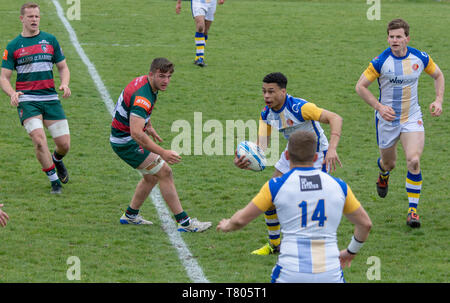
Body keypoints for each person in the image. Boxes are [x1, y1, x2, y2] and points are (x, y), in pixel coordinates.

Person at [218, 131, 372, 283]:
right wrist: (351, 252)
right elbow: (365, 224)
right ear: (317, 157)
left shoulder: (275, 186)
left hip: (290, 273)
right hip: (330, 272)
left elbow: (240, 220)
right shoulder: (339, 186)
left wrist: (227, 225)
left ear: (286, 156)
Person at [234, 72, 343, 255]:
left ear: (283, 92)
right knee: (270, 196)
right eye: (264, 92)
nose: (266, 96)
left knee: (311, 203)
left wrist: (332, 149)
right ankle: (275, 245)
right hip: (291, 153)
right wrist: (246, 159)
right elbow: (262, 146)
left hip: (317, 155)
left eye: (271, 91)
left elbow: (335, 118)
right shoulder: (266, 114)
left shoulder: (300, 107)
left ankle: (316, 247)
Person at [355, 19, 445, 228]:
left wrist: (438, 99)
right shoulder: (380, 62)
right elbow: (360, 87)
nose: (394, 40)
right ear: (388, 38)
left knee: (413, 160)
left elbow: (438, 75)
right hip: (387, 121)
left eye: (398, 36)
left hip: (411, 117)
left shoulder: (420, 57)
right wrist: (379, 107)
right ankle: (383, 173)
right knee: (390, 163)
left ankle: (412, 210)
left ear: (407, 38)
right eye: (391, 37)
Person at [110, 57, 211, 232]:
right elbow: (135, 133)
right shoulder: (143, 96)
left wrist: (147, 124)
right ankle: (185, 223)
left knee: (151, 177)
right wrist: (163, 152)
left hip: (124, 137)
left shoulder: (146, 84)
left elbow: (132, 110)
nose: (166, 81)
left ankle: (130, 215)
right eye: (162, 76)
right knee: (165, 171)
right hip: (126, 142)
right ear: (152, 74)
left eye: (169, 76)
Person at [0, 2, 71, 194]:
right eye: (30, 16)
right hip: (27, 100)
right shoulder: (13, 45)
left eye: (37, 16)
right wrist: (12, 93)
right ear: (22, 19)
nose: (34, 19)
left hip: (50, 98)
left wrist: (64, 83)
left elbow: (63, 67)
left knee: (64, 144)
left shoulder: (50, 40)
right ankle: (54, 181)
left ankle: (57, 159)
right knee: (39, 140)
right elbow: (3, 77)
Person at [176, 0, 225, 67]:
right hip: (198, 2)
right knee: (200, 27)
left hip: (212, 3)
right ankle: (200, 58)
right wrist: (179, 3)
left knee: (205, 31)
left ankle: (198, 57)